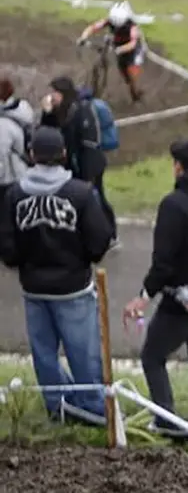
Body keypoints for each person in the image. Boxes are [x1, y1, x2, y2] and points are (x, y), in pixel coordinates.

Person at [0, 127, 114, 425]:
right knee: (83, 352)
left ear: (32, 155)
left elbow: (7, 247)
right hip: (73, 288)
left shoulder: (15, 194)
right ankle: (93, 408)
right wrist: (83, 259)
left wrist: (23, 263)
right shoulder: (81, 193)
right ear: (64, 154)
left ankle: (58, 405)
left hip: (34, 288)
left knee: (44, 353)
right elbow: (100, 239)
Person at [122, 139, 188, 433]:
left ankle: (165, 418)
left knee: (152, 356)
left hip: (178, 300)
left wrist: (143, 297)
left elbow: (163, 263)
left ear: (179, 166)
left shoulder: (174, 205)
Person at [38, 77, 116, 242]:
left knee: (97, 198)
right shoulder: (59, 111)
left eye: (55, 93)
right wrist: (47, 113)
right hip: (71, 164)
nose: (52, 96)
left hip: (88, 163)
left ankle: (109, 233)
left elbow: (90, 144)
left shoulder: (82, 110)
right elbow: (48, 133)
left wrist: (88, 174)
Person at [77, 1, 146, 103]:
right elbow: (93, 27)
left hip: (134, 50)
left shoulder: (132, 27)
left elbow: (132, 44)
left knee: (131, 74)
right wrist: (83, 37)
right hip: (119, 47)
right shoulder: (109, 21)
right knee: (123, 72)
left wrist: (120, 49)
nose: (116, 27)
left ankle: (135, 93)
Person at [0, 77, 34, 200]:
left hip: (7, 178)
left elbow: (1, 154)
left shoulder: (3, 123)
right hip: (22, 172)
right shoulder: (22, 111)